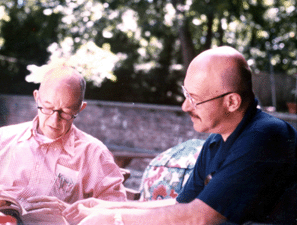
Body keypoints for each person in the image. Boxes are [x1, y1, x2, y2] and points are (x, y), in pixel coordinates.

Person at [62, 46, 297, 225]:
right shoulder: (217, 140)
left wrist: (116, 219)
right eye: (186, 94)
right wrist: (106, 208)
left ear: (232, 102)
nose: (185, 106)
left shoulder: (264, 137)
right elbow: (182, 204)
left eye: (194, 98)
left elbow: (199, 216)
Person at [0, 65, 126, 224]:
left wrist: (73, 212)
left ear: (80, 108)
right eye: (47, 107)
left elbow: (116, 211)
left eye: (66, 112)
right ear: (36, 97)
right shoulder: (1, 139)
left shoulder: (94, 153)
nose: (54, 120)